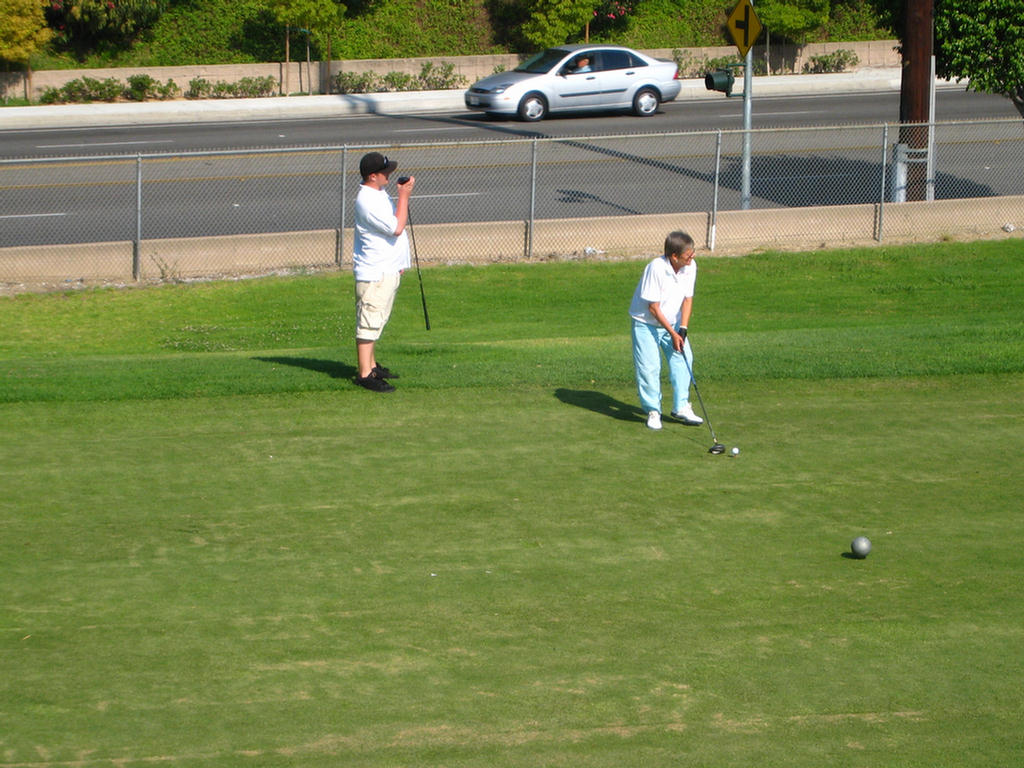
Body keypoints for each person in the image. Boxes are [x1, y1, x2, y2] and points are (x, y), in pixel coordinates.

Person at [352, 151, 415, 393]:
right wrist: (404, 195)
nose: (389, 174)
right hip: (374, 274)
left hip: (387, 270)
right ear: (372, 176)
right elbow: (397, 227)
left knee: (378, 320)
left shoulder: (377, 194)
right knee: (368, 322)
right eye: (384, 172)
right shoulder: (366, 202)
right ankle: (365, 374)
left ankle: (372, 365)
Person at [628, 231, 704, 430]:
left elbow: (688, 299)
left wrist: (683, 329)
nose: (692, 257)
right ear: (674, 257)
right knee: (650, 367)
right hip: (646, 324)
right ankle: (653, 411)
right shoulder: (656, 268)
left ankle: (681, 407)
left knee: (684, 357)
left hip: (673, 324)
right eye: (688, 254)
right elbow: (653, 308)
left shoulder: (690, 267)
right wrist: (673, 333)